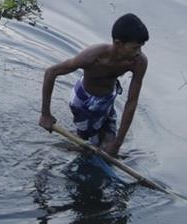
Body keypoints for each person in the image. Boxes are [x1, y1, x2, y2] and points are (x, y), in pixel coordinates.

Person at [38, 13, 149, 157]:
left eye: (141, 47)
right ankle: (53, 148)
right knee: (89, 149)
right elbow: (51, 72)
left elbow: (132, 102)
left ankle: (96, 146)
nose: (138, 53)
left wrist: (118, 144)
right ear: (118, 44)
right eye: (134, 48)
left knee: (110, 145)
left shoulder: (138, 62)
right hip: (84, 101)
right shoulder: (92, 57)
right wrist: (45, 114)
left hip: (108, 100)